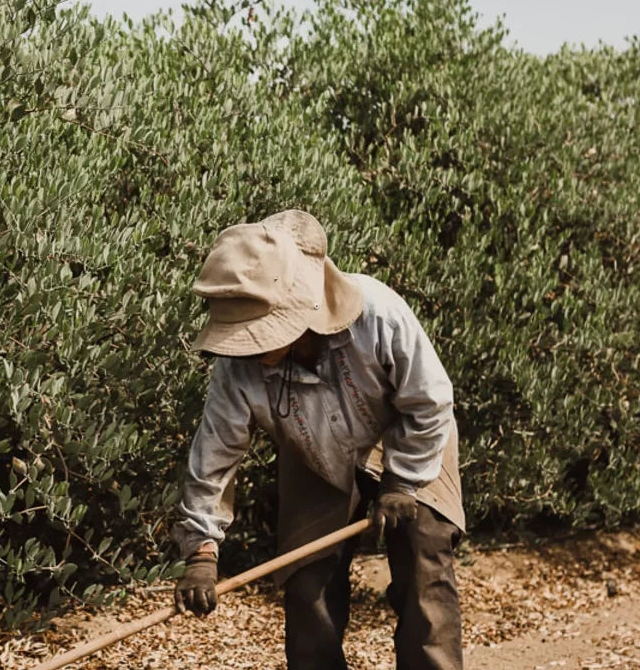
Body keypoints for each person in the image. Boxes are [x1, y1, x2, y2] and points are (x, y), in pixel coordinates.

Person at [169, 210, 466, 670]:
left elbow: (429, 401)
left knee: (424, 567)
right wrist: (202, 552)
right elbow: (214, 458)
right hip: (313, 453)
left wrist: (402, 482)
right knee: (308, 588)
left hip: (409, 437)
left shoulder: (378, 312)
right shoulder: (237, 368)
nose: (244, 346)